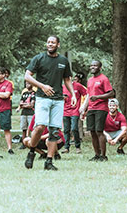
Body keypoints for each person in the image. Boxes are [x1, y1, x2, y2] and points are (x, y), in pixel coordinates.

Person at [24, 35, 77, 171]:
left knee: (54, 131)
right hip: (42, 98)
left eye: (53, 42)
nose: (50, 44)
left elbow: (67, 79)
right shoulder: (39, 58)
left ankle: (49, 161)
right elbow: (27, 76)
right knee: (40, 126)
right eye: (48, 42)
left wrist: (73, 94)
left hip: (58, 99)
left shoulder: (63, 60)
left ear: (58, 44)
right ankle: (31, 153)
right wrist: (42, 86)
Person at [80, 61, 115, 162]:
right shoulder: (90, 80)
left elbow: (111, 93)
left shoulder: (104, 79)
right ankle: (96, 154)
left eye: (95, 66)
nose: (92, 67)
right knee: (92, 132)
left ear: (100, 68)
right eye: (91, 65)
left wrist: (98, 97)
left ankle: (103, 156)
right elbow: (88, 95)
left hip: (101, 108)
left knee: (99, 131)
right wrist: (84, 107)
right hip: (91, 108)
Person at [61, 76, 86, 154]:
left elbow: (86, 94)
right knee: (66, 130)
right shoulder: (62, 87)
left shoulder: (77, 85)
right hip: (65, 111)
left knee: (74, 128)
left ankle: (77, 146)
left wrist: (83, 106)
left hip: (75, 110)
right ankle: (66, 147)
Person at [17, 81, 36, 149]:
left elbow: (31, 105)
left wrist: (24, 105)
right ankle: (23, 143)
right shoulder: (24, 93)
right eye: (26, 83)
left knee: (31, 128)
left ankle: (32, 142)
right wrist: (24, 105)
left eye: (29, 83)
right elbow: (20, 103)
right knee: (23, 128)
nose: (27, 85)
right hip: (23, 113)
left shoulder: (34, 94)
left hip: (31, 113)